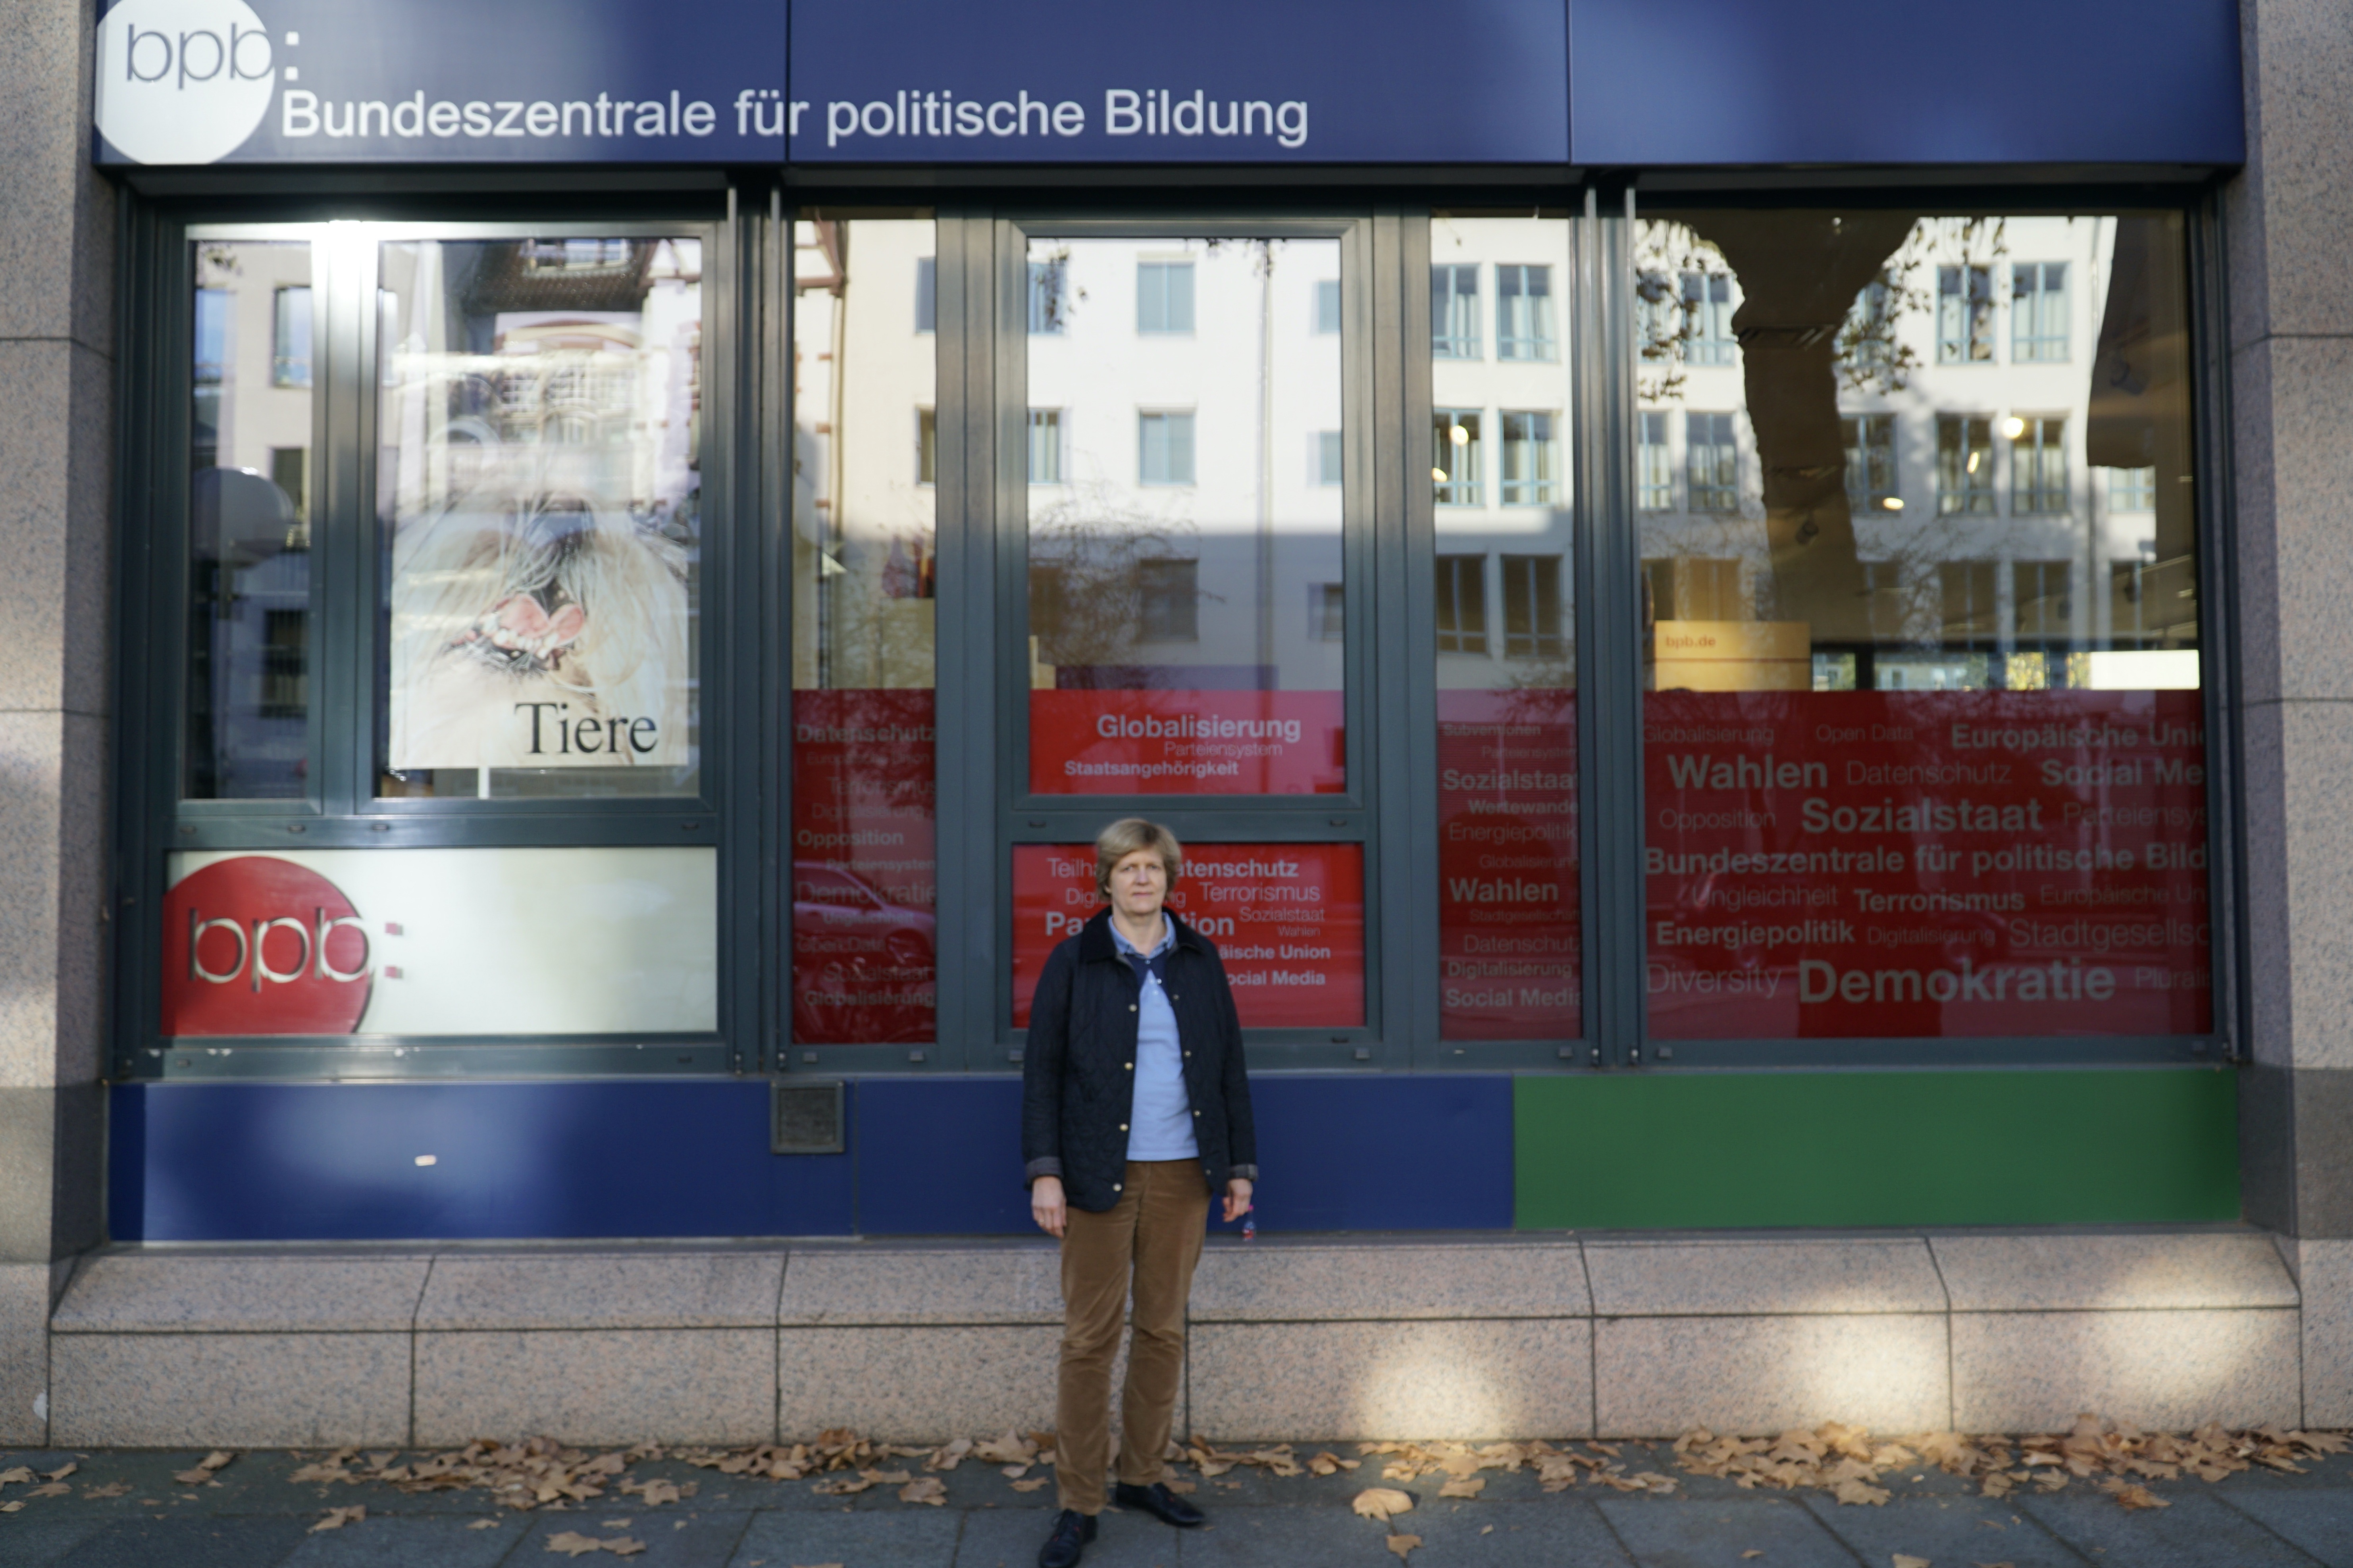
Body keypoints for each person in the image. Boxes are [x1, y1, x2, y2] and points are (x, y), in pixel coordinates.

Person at [1022, 818, 1257, 1568]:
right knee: (1089, 1341)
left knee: (1161, 1332)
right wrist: (1046, 1170)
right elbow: (1042, 1072)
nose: (1141, 879)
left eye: (1152, 867)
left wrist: (1240, 1167)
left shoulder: (1200, 958)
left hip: (1185, 1175)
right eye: (1127, 867)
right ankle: (1078, 1502)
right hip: (1097, 1174)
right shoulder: (1075, 960)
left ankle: (1142, 1476)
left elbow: (1229, 1067)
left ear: (1169, 878)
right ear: (1107, 881)